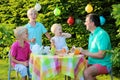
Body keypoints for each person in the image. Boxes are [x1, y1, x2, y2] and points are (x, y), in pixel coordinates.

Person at [80, 13, 112, 80]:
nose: (85, 23)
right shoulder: (92, 34)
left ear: (92, 23)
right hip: (92, 62)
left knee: (87, 73)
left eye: (86, 21)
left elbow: (101, 55)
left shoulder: (102, 34)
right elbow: (90, 51)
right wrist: (80, 50)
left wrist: (84, 52)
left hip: (104, 64)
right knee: (77, 69)